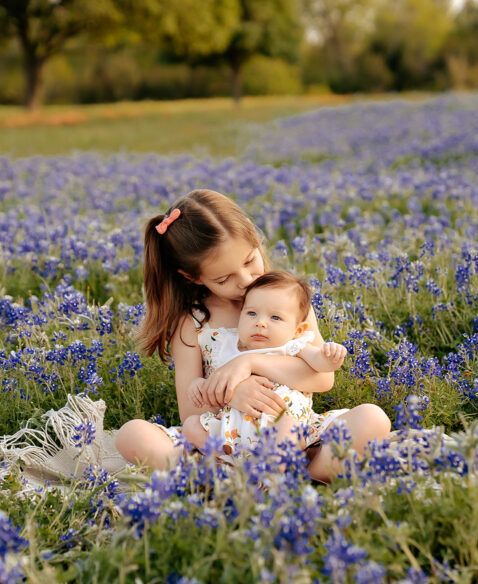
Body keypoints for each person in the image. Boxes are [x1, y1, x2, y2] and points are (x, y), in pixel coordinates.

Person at [113, 189, 391, 482]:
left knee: (373, 418)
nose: (246, 281)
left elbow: (322, 379)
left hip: (292, 436)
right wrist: (232, 394)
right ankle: (228, 476)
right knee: (131, 434)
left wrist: (248, 363)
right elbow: (190, 409)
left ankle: (294, 471)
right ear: (193, 277)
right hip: (222, 439)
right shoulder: (192, 322)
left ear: (256, 241)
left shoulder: (287, 303)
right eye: (223, 279)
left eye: (249, 261)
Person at [181, 271, 349, 459]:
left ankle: (273, 474)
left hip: (279, 421)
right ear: (240, 317)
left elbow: (320, 364)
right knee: (191, 425)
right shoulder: (225, 347)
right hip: (232, 430)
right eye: (251, 313)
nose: (260, 323)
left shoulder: (293, 345)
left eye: (275, 318)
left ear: (298, 330)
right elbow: (213, 382)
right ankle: (225, 462)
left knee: (288, 428)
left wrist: (331, 357)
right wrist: (197, 385)